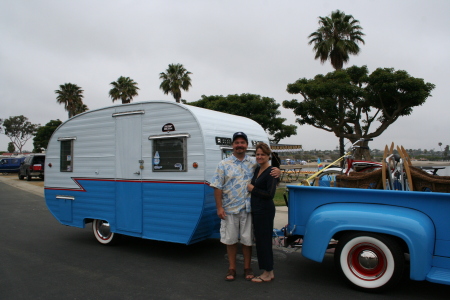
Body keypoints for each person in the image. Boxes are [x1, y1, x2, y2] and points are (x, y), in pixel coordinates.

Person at [210, 132, 279, 281]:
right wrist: (219, 207)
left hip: (248, 209)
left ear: (247, 145)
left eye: (242, 142)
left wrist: (279, 171)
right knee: (231, 240)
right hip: (229, 209)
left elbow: (269, 168)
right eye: (237, 142)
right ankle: (232, 268)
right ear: (232, 145)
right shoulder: (223, 164)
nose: (240, 145)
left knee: (247, 240)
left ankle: (248, 268)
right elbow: (217, 187)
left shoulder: (253, 163)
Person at [247, 142, 278, 282]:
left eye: (262, 155)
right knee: (260, 241)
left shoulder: (271, 172)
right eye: (257, 154)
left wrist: (253, 189)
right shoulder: (257, 170)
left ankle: (266, 273)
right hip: (257, 210)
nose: (259, 157)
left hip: (265, 211)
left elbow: (270, 194)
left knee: (263, 242)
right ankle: (269, 271)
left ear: (268, 156)